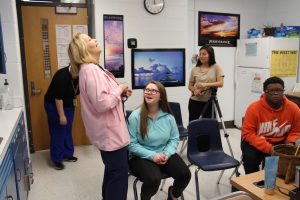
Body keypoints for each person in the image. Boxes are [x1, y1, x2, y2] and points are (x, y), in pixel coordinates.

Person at [68, 33, 132, 200]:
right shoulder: (91, 70)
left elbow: (103, 97)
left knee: (112, 173)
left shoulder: (92, 69)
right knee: (118, 178)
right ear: (82, 49)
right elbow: (102, 103)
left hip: (109, 133)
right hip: (111, 135)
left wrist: (121, 94)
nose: (95, 40)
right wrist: (121, 87)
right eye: (89, 40)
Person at [128, 81, 191, 200]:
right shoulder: (135, 116)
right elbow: (131, 144)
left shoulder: (168, 117)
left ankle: (173, 195)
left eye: (153, 91)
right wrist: (153, 156)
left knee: (185, 174)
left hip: (163, 152)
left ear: (161, 96)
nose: (148, 93)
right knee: (153, 180)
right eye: (147, 90)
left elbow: (174, 139)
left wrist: (166, 154)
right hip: (140, 156)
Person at [241, 76, 300, 174]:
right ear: (265, 92)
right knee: (250, 159)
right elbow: (248, 134)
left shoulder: (294, 109)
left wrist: (291, 142)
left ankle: (282, 180)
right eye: (271, 91)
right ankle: (253, 184)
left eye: (279, 90)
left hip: (282, 141)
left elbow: (296, 131)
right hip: (257, 141)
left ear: (283, 91)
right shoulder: (253, 108)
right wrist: (268, 148)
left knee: (293, 155)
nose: (276, 93)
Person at [44, 65, 79, 170]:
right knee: (58, 131)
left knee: (67, 130)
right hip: (54, 104)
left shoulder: (81, 76)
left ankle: (67, 154)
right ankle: (57, 159)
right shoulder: (62, 76)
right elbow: (58, 98)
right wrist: (62, 115)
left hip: (68, 104)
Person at [188, 45, 224, 121]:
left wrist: (205, 84)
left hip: (209, 103)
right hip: (194, 102)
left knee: (208, 128)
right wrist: (194, 90)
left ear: (210, 55)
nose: (201, 56)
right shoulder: (195, 69)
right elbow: (190, 85)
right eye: (200, 54)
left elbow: (221, 83)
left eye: (204, 54)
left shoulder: (216, 67)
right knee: (194, 127)